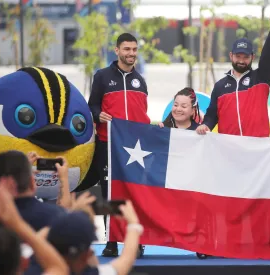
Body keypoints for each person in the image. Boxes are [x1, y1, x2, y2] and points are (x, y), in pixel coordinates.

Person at [87, 33, 149, 257]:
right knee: (109, 193)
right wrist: (98, 115)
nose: (131, 53)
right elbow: (91, 104)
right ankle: (111, 241)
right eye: (126, 49)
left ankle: (137, 241)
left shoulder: (140, 81)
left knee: (135, 193)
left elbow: (142, 115)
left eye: (134, 49)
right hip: (108, 145)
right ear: (117, 50)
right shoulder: (102, 76)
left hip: (135, 149)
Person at [196, 12, 270, 137]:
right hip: (230, 147)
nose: (241, 61)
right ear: (231, 56)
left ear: (252, 57)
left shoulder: (261, 78)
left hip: (257, 147)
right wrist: (206, 125)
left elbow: (267, 55)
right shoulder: (220, 86)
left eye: (245, 57)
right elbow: (212, 115)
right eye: (238, 56)